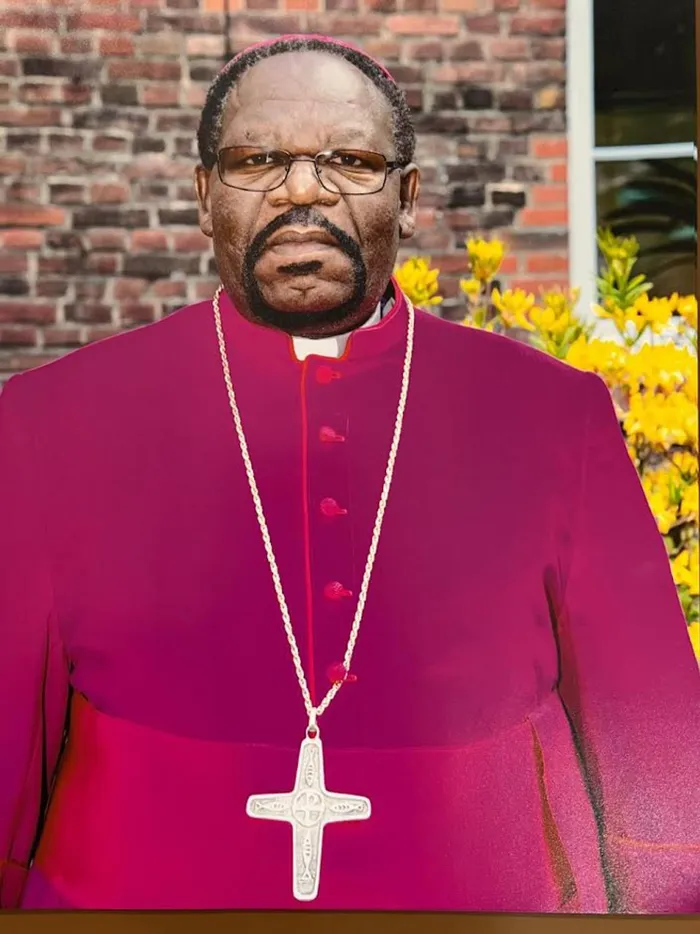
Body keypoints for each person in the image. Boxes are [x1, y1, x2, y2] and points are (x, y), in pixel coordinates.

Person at [0, 34, 699, 914]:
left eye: (351, 161)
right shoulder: (51, 419)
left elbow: (657, 764)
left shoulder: (553, 413)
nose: (303, 190)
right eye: (258, 160)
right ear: (205, 195)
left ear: (407, 198)